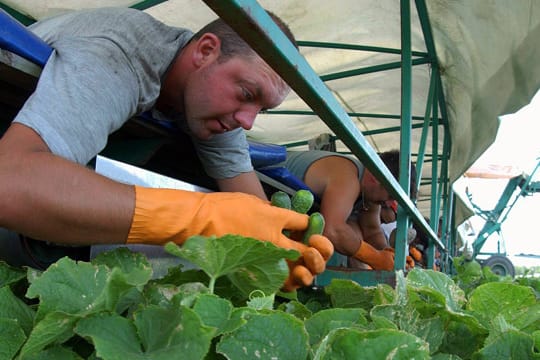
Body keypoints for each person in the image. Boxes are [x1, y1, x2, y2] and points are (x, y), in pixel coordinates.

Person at [0, 7, 333, 291]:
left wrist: (278, 255)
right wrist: (197, 217)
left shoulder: (213, 103)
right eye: (247, 94)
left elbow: (252, 207)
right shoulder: (119, 55)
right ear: (205, 51)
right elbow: (9, 182)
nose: (248, 122)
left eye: (262, 109)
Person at [280, 149, 416, 270]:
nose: (389, 203)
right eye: (391, 196)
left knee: (354, 231)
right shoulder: (348, 177)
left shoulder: (370, 193)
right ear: (376, 177)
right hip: (266, 178)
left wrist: (391, 257)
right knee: (350, 229)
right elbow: (333, 230)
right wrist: (376, 258)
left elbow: (371, 231)